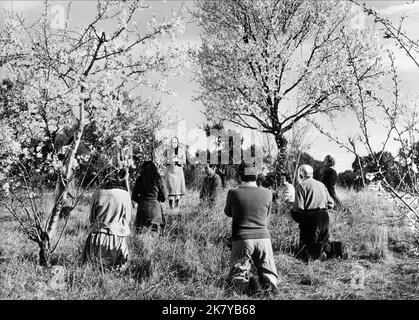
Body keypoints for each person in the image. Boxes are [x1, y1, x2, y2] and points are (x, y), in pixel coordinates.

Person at [224, 163, 279, 295]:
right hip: (263, 238)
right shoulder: (268, 193)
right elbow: (267, 215)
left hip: (242, 238)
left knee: (239, 272)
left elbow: (228, 213)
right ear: (256, 177)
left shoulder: (233, 193)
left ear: (240, 176)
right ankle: (270, 291)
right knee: (268, 271)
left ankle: (242, 292)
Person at [291, 164, 345, 261]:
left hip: (311, 217)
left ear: (300, 175)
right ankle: (336, 248)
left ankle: (317, 254)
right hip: (324, 215)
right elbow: (331, 203)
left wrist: (295, 214)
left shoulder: (301, 186)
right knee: (323, 240)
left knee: (309, 248)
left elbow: (299, 207)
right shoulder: (321, 184)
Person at [83, 168, 132, 270]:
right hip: (117, 239)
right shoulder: (125, 195)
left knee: (94, 267)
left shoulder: (97, 194)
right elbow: (127, 219)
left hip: (97, 238)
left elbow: (91, 219)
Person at [132, 161, 168, 233]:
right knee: (155, 233)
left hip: (142, 209)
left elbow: (134, 196)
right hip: (155, 210)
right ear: (155, 169)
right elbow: (165, 196)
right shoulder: (159, 179)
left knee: (140, 232)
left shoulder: (139, 179)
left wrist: (142, 200)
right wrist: (158, 199)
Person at [164, 137, 186, 209]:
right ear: (170, 143)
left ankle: (176, 207)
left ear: (178, 143)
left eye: (175, 142)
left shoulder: (181, 151)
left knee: (177, 190)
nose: (174, 144)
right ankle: (171, 207)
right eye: (173, 142)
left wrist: (179, 161)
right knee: (170, 189)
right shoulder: (167, 151)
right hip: (170, 171)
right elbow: (164, 161)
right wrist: (171, 160)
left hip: (178, 171)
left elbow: (184, 162)